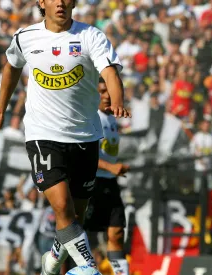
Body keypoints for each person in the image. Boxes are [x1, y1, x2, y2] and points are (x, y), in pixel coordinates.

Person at [0, 0, 130, 273]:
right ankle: (87, 266)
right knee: (61, 206)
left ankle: (53, 257)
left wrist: (118, 99)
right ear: (41, 2)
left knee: (75, 218)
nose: (60, 2)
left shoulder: (91, 36)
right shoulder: (26, 37)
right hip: (43, 134)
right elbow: (11, 67)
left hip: (84, 135)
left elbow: (109, 71)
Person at [83, 78, 130, 275]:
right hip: (90, 184)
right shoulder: (90, 118)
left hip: (110, 183)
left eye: (109, 92)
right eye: (102, 92)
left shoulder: (111, 118)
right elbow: (84, 157)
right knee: (79, 237)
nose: (106, 96)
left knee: (117, 232)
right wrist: (111, 167)